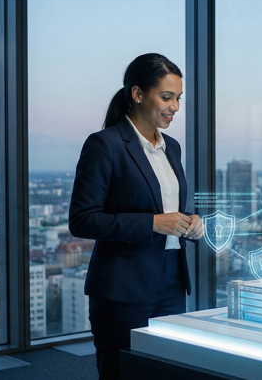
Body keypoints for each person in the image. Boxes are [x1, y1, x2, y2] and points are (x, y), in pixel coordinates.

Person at [69, 53, 204, 380]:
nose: (175, 107)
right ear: (138, 94)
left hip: (172, 279)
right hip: (122, 286)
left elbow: (163, 205)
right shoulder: (105, 145)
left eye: (178, 99)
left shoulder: (172, 147)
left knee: (166, 372)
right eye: (166, 97)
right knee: (122, 374)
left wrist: (190, 222)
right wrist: (153, 224)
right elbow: (82, 219)